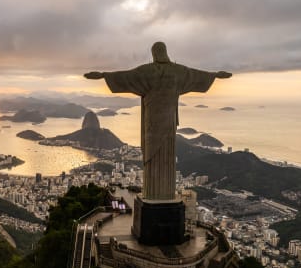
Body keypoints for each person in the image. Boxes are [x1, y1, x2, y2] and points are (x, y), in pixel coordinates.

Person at [84, 41, 231, 200]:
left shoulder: (147, 72)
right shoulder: (178, 71)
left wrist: (103, 75)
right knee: (166, 153)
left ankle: (153, 192)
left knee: (152, 152)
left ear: (154, 53)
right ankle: (164, 193)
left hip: (152, 122)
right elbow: (195, 75)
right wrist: (215, 75)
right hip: (169, 121)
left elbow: (126, 76)